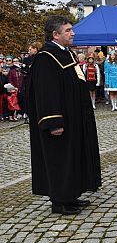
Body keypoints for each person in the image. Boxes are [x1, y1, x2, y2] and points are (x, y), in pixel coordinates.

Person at [26, 15, 101, 215]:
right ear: (55, 34)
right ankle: (60, 201)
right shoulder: (46, 58)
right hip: (60, 121)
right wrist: (54, 122)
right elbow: (46, 93)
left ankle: (71, 194)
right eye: (68, 30)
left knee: (73, 157)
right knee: (60, 159)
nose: (72, 33)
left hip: (74, 117)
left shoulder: (65, 53)